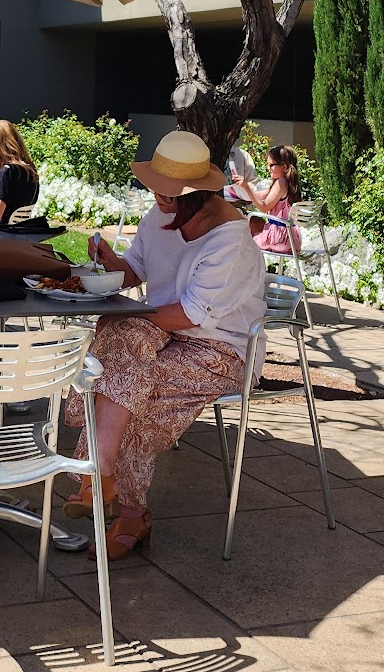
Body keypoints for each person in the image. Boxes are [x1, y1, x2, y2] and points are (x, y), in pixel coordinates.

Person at [62, 130, 267, 559]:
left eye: (169, 191)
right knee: (124, 341)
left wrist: (125, 314)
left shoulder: (230, 240)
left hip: (219, 350)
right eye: (156, 185)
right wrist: (110, 262)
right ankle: (106, 484)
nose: (158, 195)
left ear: (196, 194)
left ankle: (112, 492)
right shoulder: (160, 216)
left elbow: (191, 314)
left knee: (130, 380)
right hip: (162, 335)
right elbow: (136, 271)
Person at [228, 143, 303, 257]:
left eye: (271, 165)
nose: (268, 168)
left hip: (280, 239)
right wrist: (243, 188)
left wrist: (247, 187)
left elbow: (263, 208)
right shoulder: (288, 183)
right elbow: (260, 195)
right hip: (292, 239)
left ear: (283, 167)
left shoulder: (280, 183)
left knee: (243, 241)